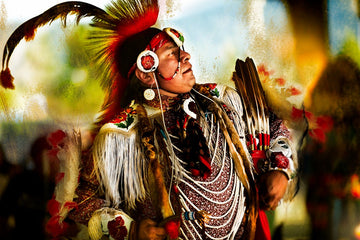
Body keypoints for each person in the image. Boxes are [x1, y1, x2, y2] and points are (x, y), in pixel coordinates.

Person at [0, 1, 298, 239]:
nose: (188, 57)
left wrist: (280, 170)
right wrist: (130, 229)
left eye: (182, 50)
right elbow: (82, 202)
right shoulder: (121, 136)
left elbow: (274, 126)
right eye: (173, 53)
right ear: (146, 70)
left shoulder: (220, 99)